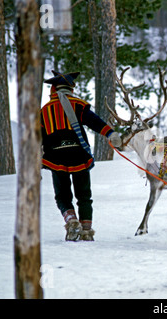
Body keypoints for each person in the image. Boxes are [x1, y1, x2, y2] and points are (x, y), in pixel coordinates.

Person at [41, 70, 122, 241]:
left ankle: (71, 221)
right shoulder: (78, 105)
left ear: (53, 90)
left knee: (62, 196)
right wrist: (110, 134)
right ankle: (86, 230)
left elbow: (36, 138)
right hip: (79, 156)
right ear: (71, 88)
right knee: (84, 195)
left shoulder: (44, 111)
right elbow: (95, 122)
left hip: (56, 159)